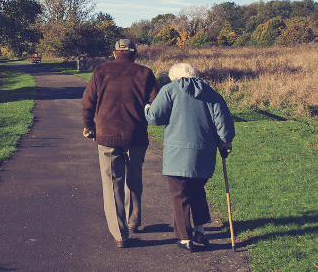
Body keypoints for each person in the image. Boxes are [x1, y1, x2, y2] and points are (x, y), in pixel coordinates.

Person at [145, 62, 235, 252]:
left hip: (177, 153)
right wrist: (225, 142)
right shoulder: (211, 93)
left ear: (175, 77)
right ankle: (200, 229)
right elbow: (223, 125)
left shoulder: (170, 90)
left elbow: (155, 118)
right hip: (204, 153)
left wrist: (147, 108)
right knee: (197, 189)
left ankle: (185, 238)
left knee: (180, 194)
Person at [81, 39, 159, 248]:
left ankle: (120, 234)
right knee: (134, 178)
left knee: (112, 184)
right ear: (134, 53)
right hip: (136, 135)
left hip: (107, 135)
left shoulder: (101, 70)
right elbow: (155, 104)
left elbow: (88, 101)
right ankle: (133, 221)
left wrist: (89, 126)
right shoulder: (145, 73)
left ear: (114, 53)